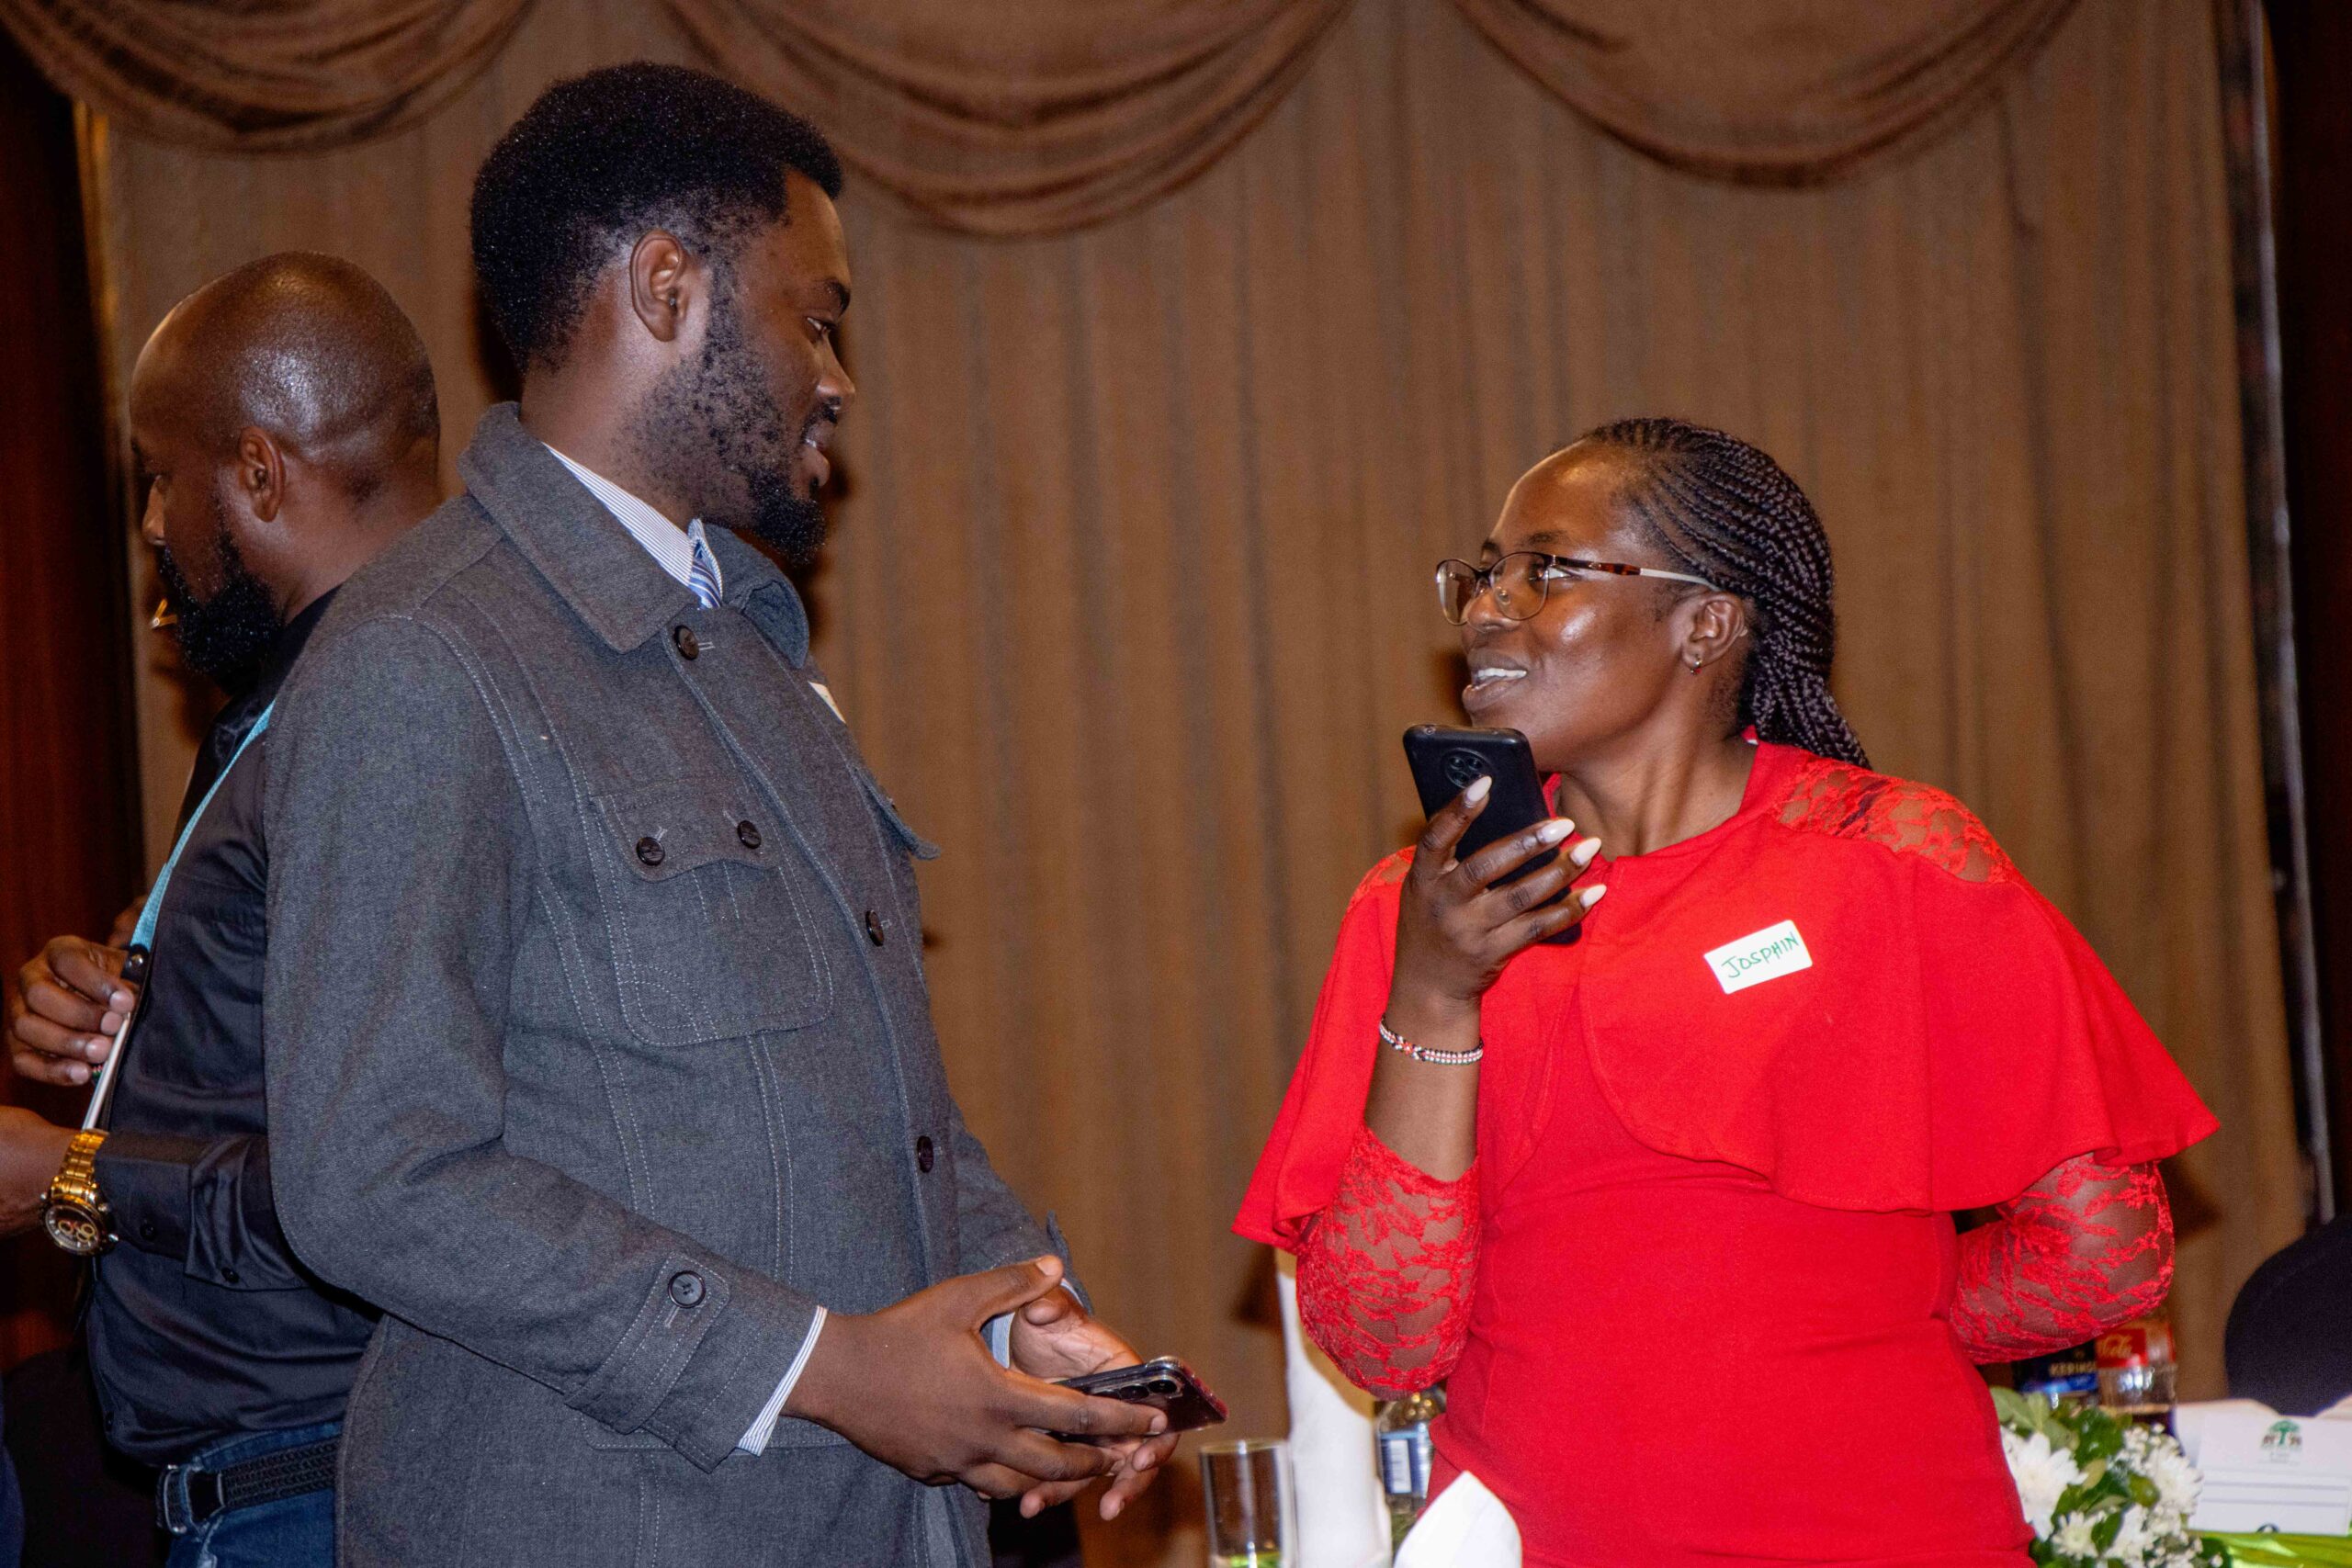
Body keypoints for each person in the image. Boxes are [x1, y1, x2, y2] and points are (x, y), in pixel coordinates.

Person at [254, 63, 1175, 1568]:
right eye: (816, 316)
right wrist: (829, 1367)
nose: (840, 377)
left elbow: (875, 1104)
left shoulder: (749, 644)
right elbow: (373, 1177)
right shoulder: (425, 655)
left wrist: (1022, 1311)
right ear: (667, 288)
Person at [1236, 417, 2220, 1567]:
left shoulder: (1889, 858)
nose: (1486, 609)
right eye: (1485, 575)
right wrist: (1436, 997)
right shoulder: (1427, 912)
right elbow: (1380, 1343)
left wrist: (1871, 1315)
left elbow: (2107, 1251)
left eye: (1542, 570)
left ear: (1703, 622)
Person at [1, 252, 442, 1565]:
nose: (150, 521)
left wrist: (65, 1174)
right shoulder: (307, 689)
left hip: (330, 1485)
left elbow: (374, 1182)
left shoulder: (387, 709)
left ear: (257, 471)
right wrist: (135, 1010)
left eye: (159, 474)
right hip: (293, 1478)